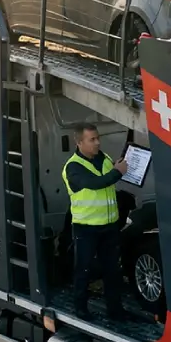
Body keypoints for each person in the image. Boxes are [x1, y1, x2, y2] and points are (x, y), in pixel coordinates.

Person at [62, 123, 132, 320]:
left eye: (97, 138)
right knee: (83, 270)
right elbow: (94, 183)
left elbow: (108, 180)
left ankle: (115, 310)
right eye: (92, 139)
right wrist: (118, 172)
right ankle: (81, 309)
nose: (97, 142)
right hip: (86, 228)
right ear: (79, 142)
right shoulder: (73, 167)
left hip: (109, 225)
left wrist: (119, 166)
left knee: (112, 271)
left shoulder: (104, 158)